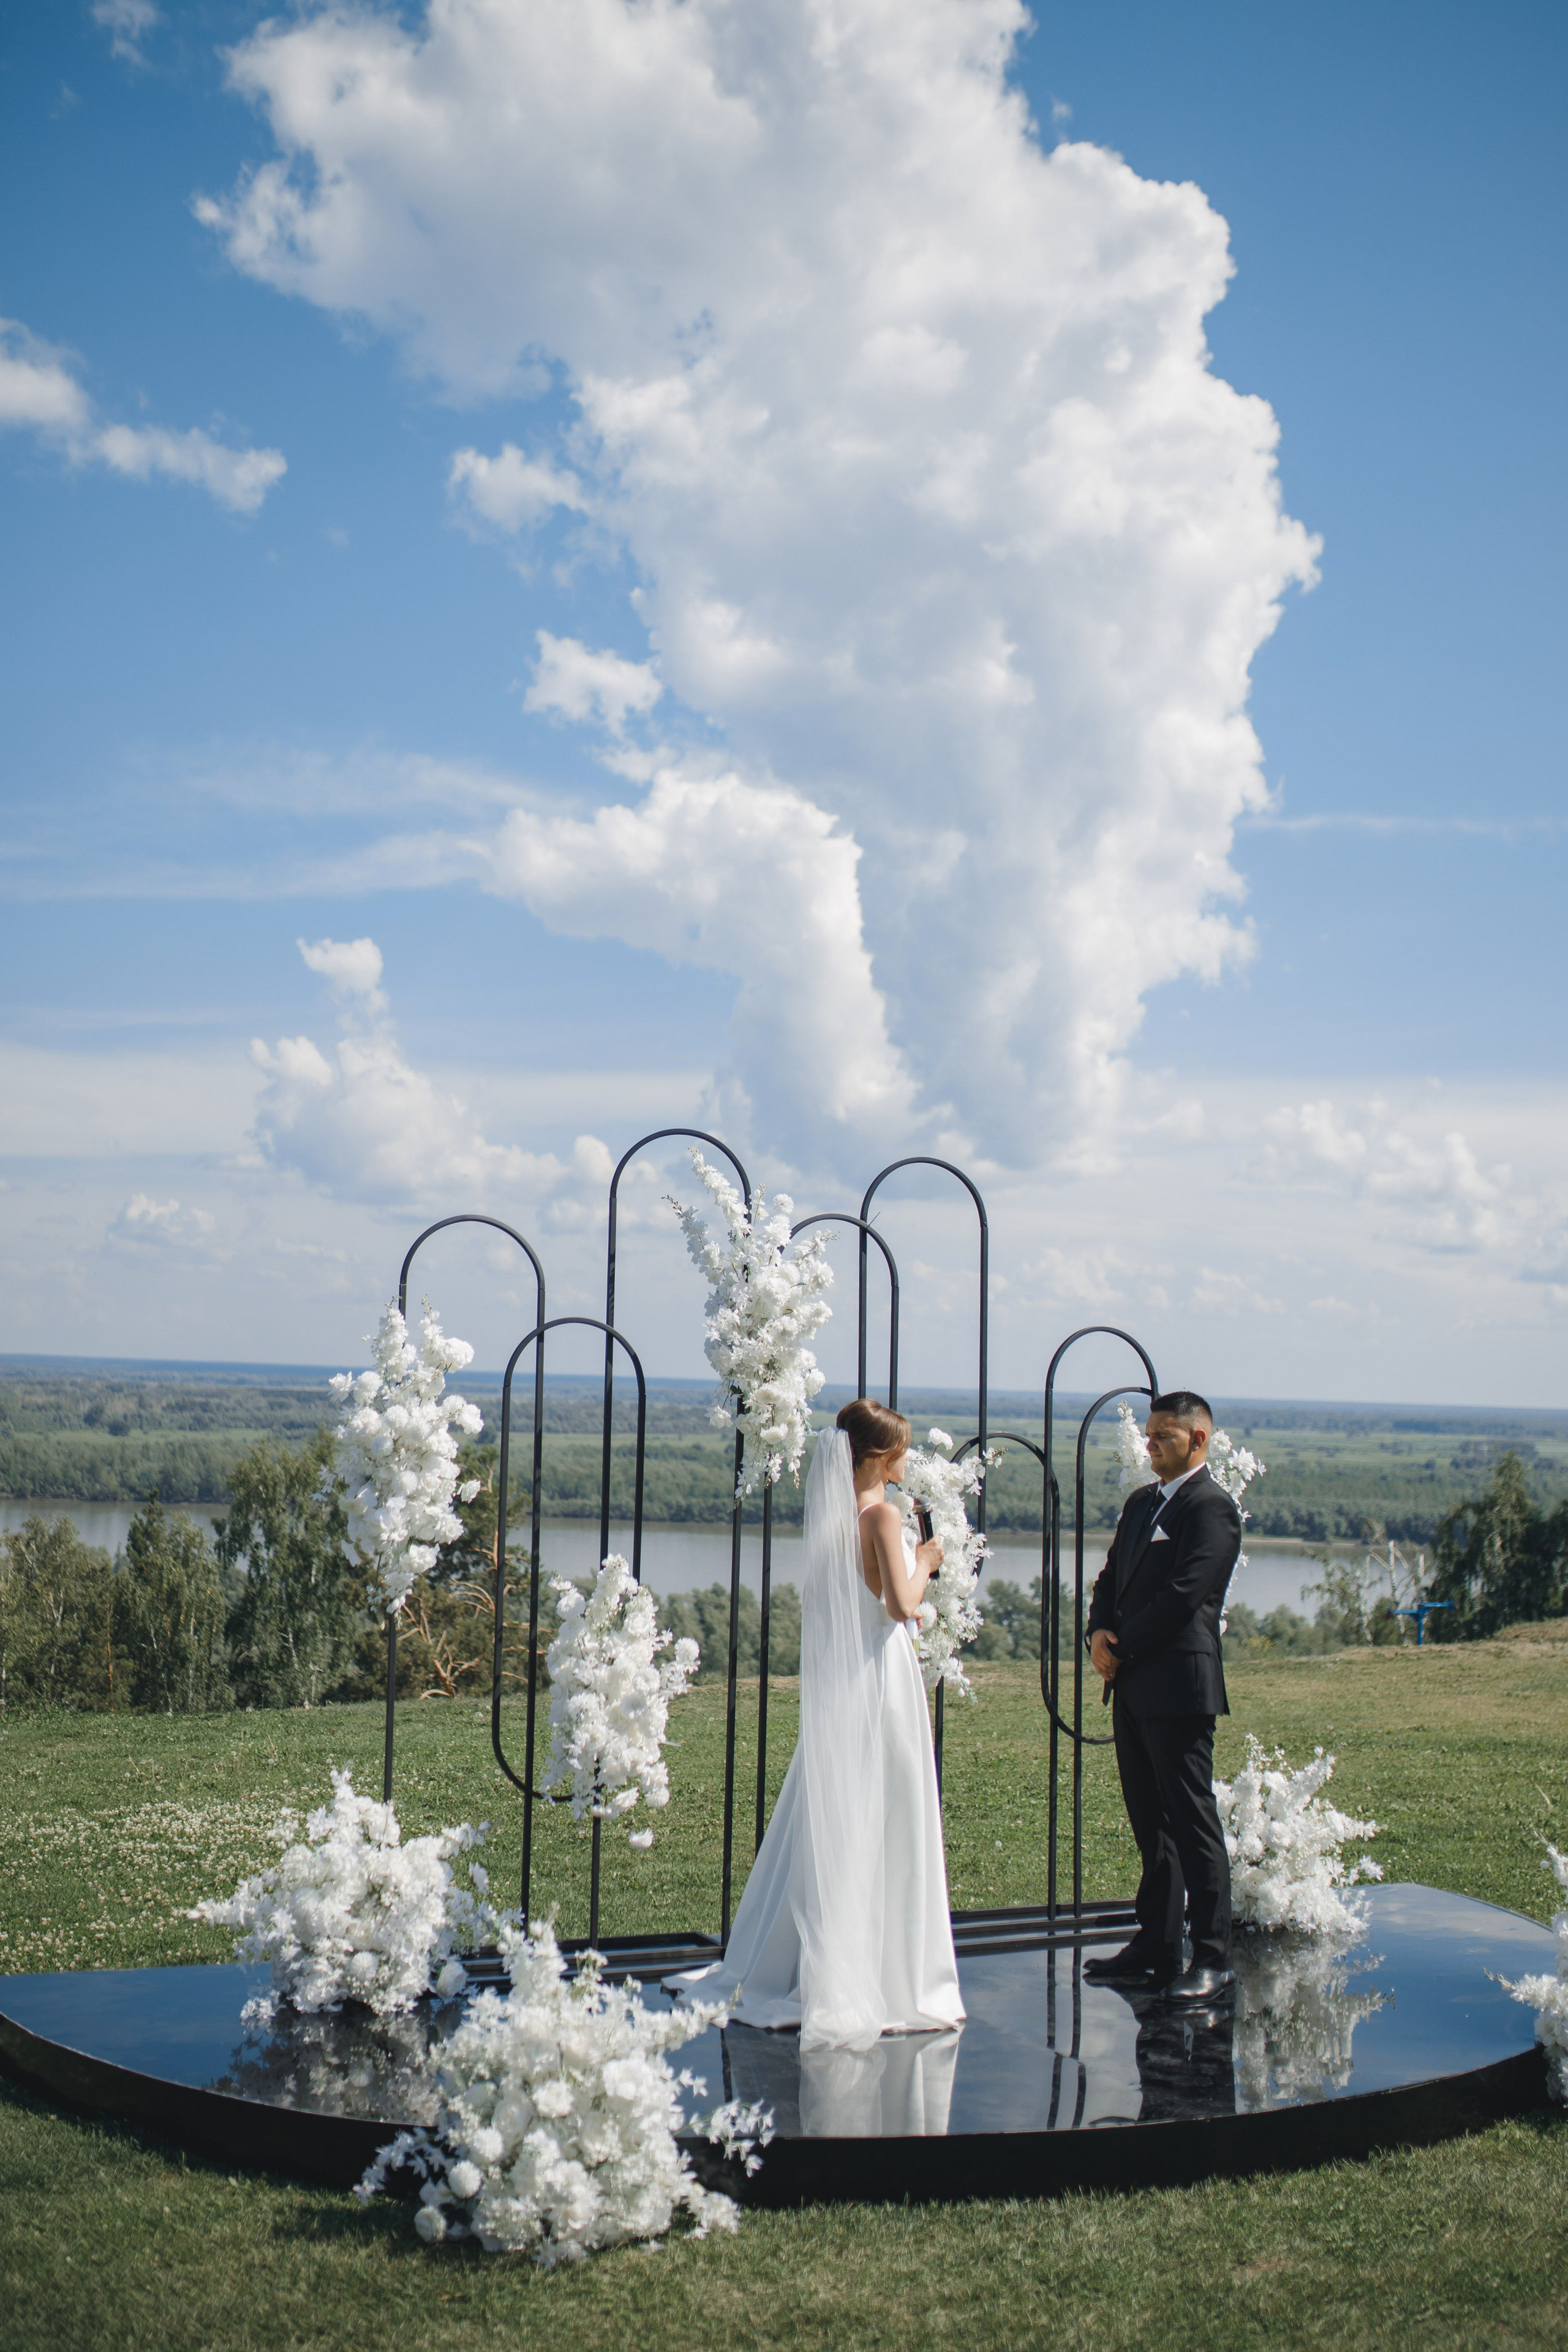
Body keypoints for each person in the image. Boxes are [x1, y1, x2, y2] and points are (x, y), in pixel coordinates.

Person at [675, 1400, 966, 2050]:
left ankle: (805, 1954)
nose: (905, 1462)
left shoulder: (838, 1517)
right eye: (900, 1452)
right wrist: (930, 1561)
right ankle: (888, 1969)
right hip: (881, 1671)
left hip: (847, 1680)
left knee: (840, 1807)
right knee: (886, 1806)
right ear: (877, 1457)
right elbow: (898, 1605)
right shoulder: (884, 1515)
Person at [1084, 1389, 1241, 2005]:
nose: (1148, 1447)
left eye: (1161, 1438)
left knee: (1191, 1821)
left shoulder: (1211, 1509)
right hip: (1131, 1686)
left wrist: (1121, 1645)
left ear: (1197, 1439)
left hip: (1177, 1686)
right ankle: (1155, 1945)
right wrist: (1097, 1631)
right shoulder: (1142, 1503)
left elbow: (1184, 1596)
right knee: (1151, 1825)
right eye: (1147, 1437)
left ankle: (1213, 1957)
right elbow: (1110, 1578)